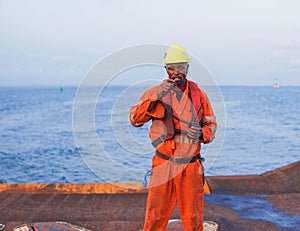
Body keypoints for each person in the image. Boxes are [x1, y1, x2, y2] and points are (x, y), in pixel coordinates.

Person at [129, 44, 217, 231]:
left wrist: (202, 134)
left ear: (187, 68)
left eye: (181, 67)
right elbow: (135, 120)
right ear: (166, 69)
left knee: (193, 216)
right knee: (155, 216)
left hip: (190, 166)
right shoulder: (153, 93)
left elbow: (211, 124)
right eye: (172, 67)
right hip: (163, 164)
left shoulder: (200, 96)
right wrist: (155, 97)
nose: (176, 72)